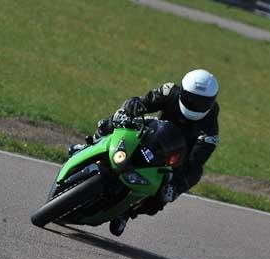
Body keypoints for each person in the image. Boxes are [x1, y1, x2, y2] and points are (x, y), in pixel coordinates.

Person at [69, 69, 220, 236]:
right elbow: (143, 102)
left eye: (201, 102)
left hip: (176, 153)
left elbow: (195, 162)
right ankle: (90, 145)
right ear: (182, 91)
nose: (194, 105)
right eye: (190, 98)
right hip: (154, 130)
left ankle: (127, 212)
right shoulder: (170, 92)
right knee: (114, 121)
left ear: (211, 102)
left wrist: (176, 186)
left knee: (164, 195)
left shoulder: (210, 129)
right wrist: (129, 109)